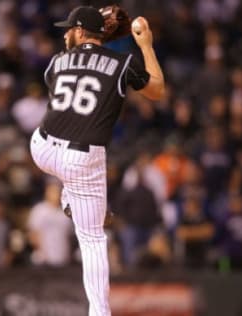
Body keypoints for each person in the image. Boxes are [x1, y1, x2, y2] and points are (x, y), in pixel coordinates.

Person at [29, 6, 164, 316]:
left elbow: (79, 63)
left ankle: (70, 199)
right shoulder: (123, 62)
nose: (65, 34)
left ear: (79, 31)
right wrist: (145, 45)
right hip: (81, 160)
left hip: (42, 149)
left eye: (69, 29)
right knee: (92, 239)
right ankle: (99, 313)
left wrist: (94, 35)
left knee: (68, 173)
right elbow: (157, 90)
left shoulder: (56, 62)